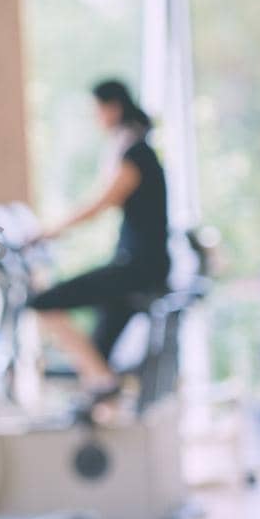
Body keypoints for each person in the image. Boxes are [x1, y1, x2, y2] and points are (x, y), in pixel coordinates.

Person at [27, 78, 170, 410]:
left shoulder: (135, 154)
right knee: (97, 354)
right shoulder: (133, 148)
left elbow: (100, 203)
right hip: (138, 264)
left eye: (97, 111)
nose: (96, 119)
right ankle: (105, 395)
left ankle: (103, 384)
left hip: (138, 268)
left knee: (43, 303)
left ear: (113, 108)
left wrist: (51, 231)